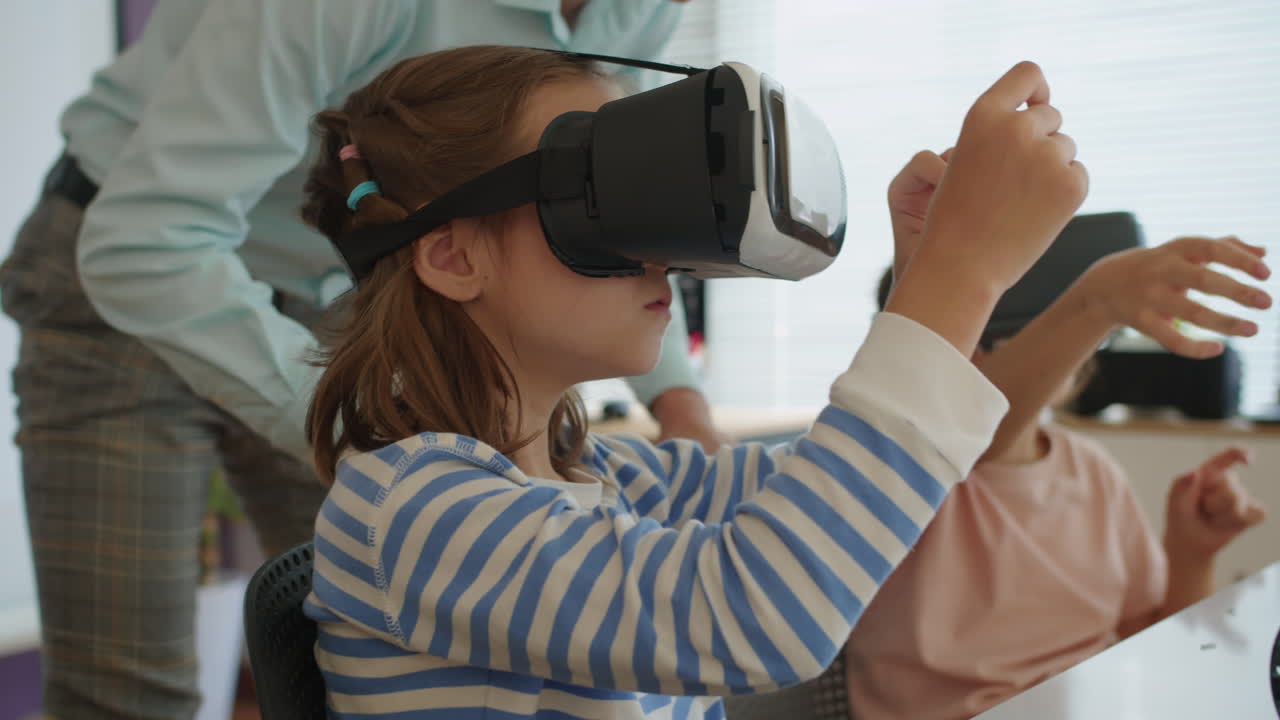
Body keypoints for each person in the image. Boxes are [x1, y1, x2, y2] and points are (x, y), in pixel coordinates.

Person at [300, 45, 1089, 718]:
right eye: (598, 198)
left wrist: (930, 279)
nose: (660, 253)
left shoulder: (612, 476)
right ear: (453, 257)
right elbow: (756, 614)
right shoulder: (409, 508)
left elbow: (858, 500)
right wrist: (960, 276)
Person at [0, 2, 714, 718]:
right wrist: (373, 430)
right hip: (128, 270)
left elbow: (607, 202)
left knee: (377, 649)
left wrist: (679, 402)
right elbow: (142, 240)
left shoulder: (644, 11)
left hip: (347, 290)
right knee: (129, 697)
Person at [842, 150, 1272, 720]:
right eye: (978, 327)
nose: (1004, 347)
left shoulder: (1092, 473)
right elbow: (973, 432)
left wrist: (1191, 556)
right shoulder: (901, 468)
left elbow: (1148, 640)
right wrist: (1096, 300)